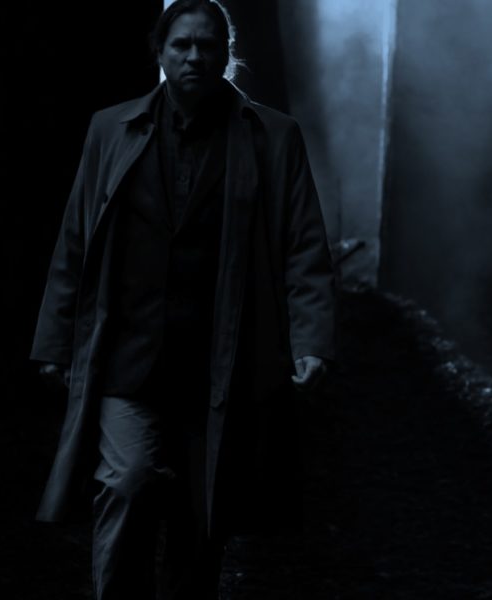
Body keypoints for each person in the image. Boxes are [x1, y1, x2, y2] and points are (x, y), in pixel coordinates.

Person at [29, 1, 336, 597]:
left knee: (200, 513)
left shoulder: (273, 136)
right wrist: (55, 340)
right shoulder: (111, 129)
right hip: (129, 356)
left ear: (227, 55)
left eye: (208, 45)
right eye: (182, 45)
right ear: (161, 52)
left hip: (222, 360)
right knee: (127, 483)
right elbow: (76, 241)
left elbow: (303, 245)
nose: (195, 56)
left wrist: (312, 339)